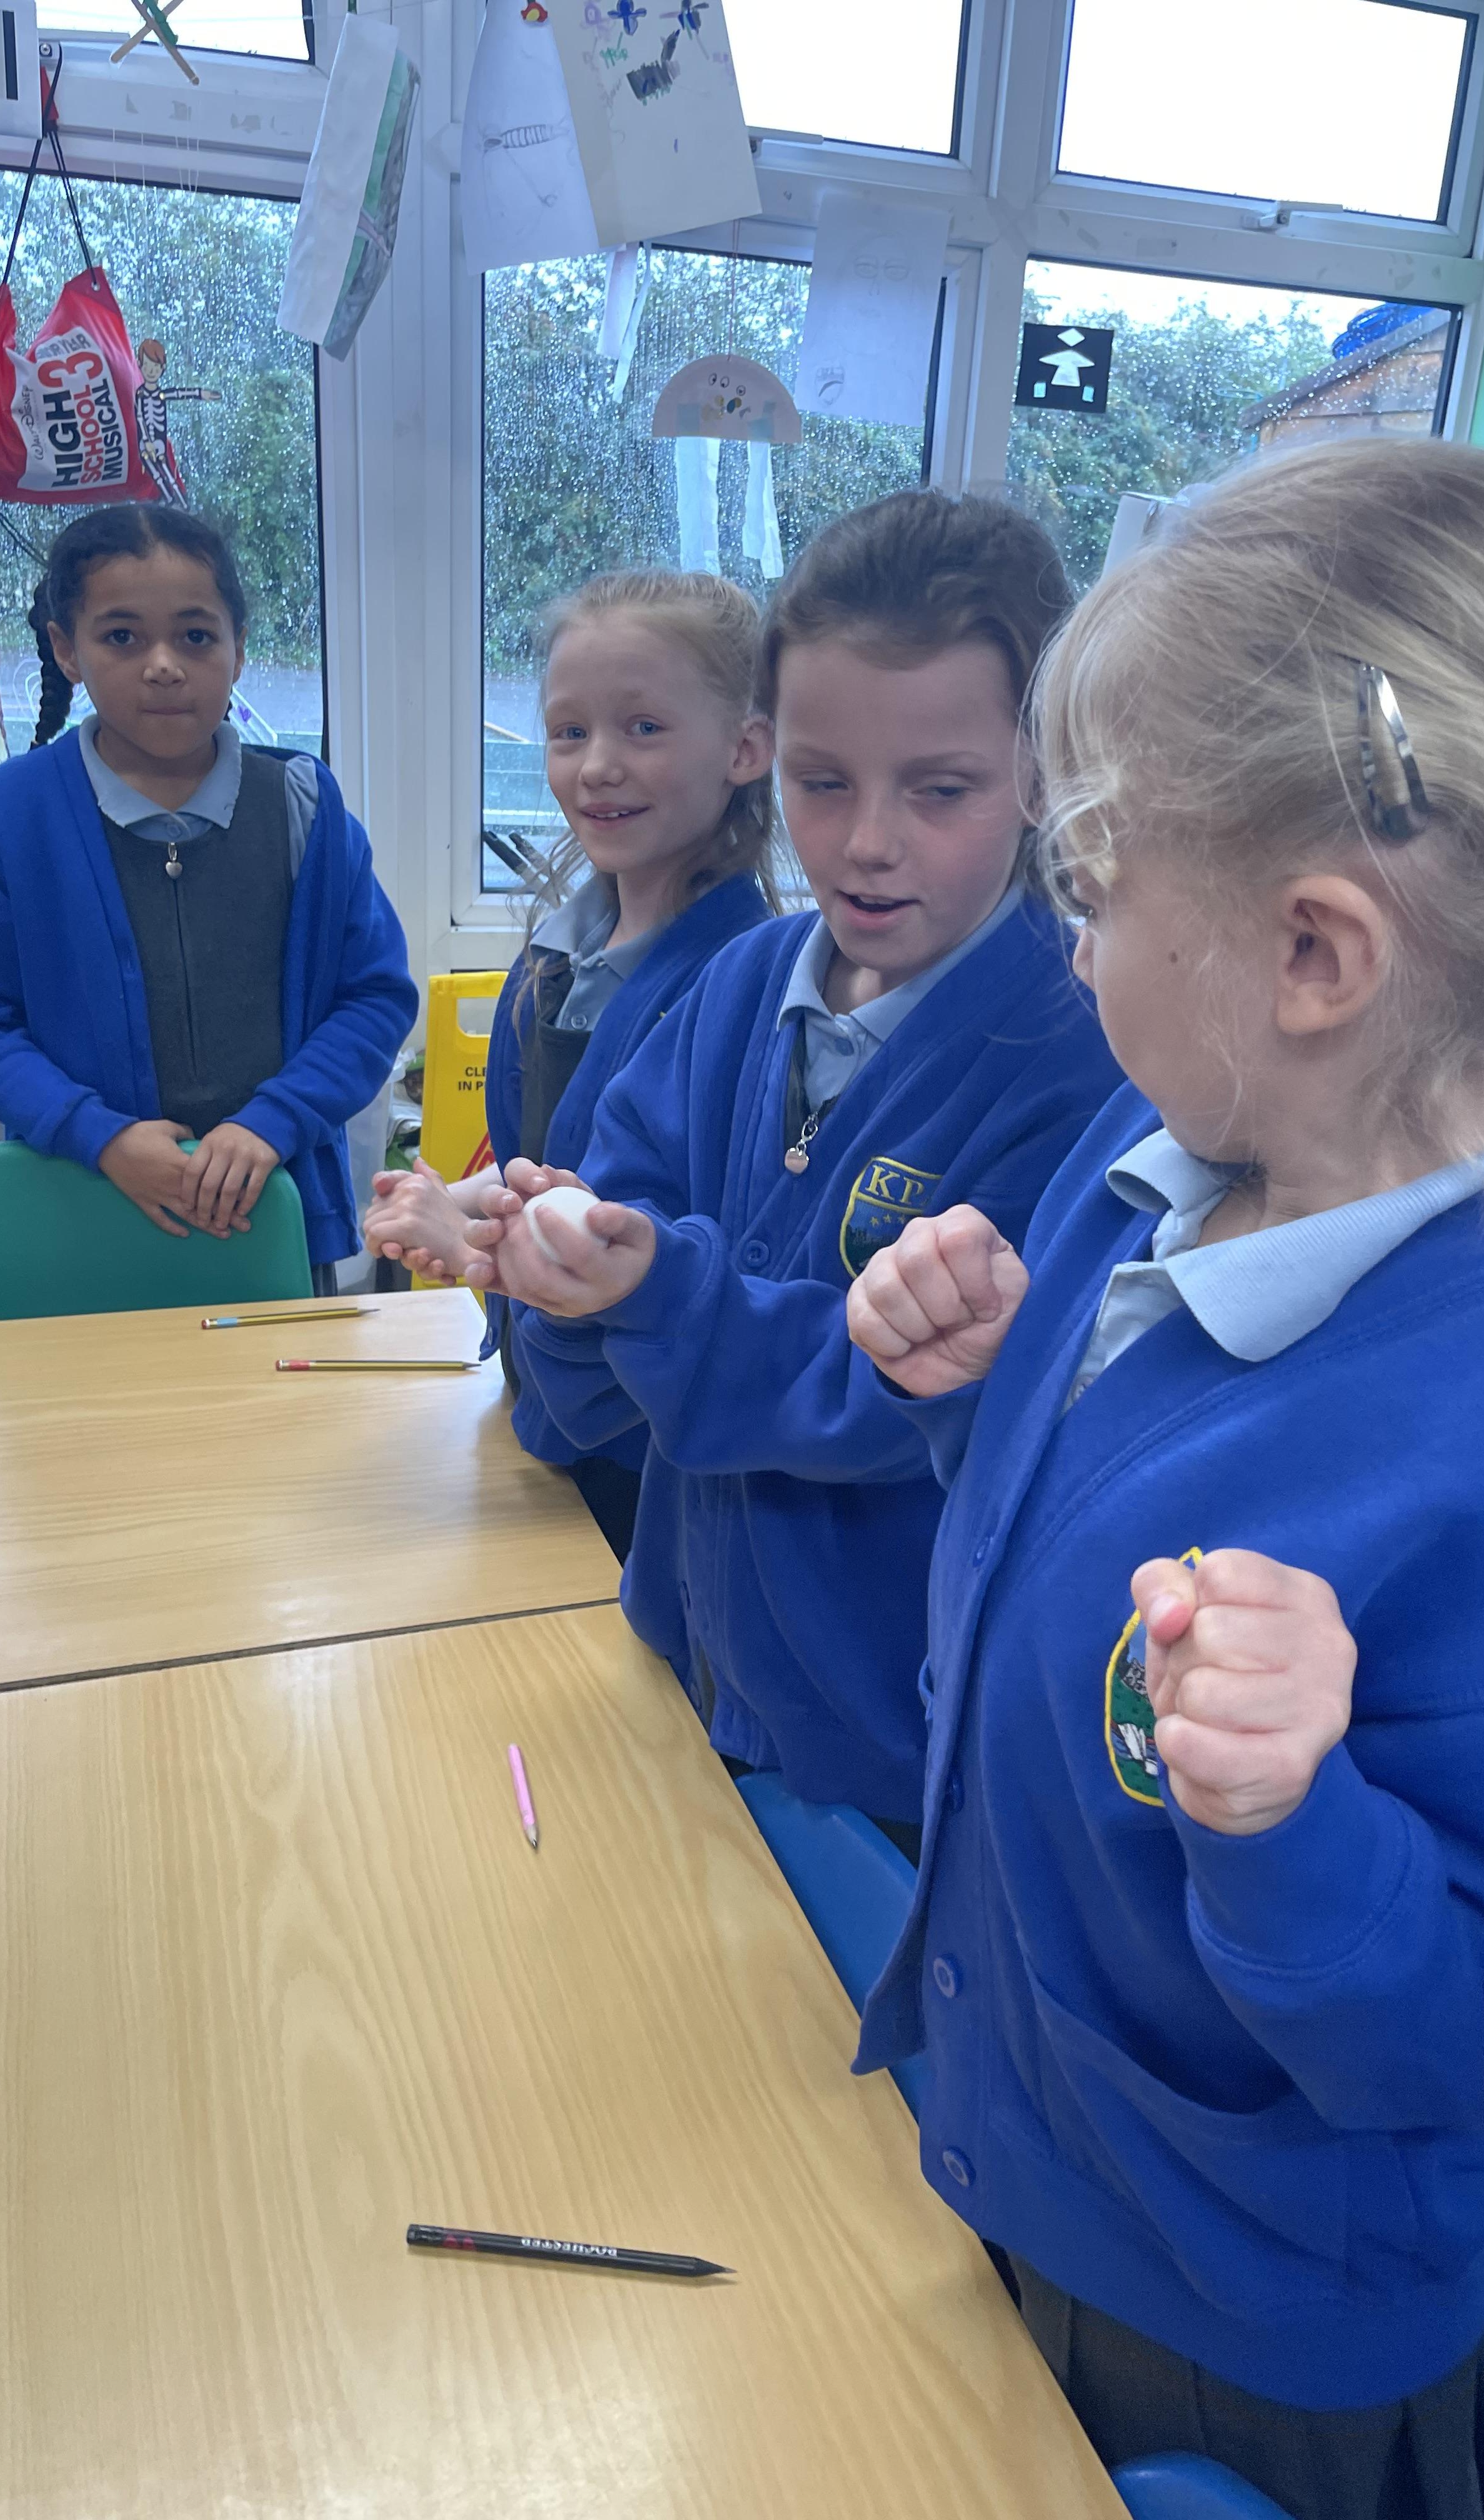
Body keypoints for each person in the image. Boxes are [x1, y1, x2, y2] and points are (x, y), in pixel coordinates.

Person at [844, 438, 1484, 2520]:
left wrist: (1288, 1819)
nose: (1070, 951)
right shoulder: (1147, 1155)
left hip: (1244, 2329)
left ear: (1314, 956)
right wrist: (977, 1395)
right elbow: (1087, 1542)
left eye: (1092, 890)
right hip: (1032, 2141)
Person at [464, 491, 1124, 1841]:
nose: (868, 840)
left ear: (1042, 773)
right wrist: (560, 1266)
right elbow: (616, 1263)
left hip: (891, 1746)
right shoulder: (740, 984)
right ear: (770, 759)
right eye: (822, 783)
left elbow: (909, 1399)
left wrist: (650, 1294)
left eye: (939, 790)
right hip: (683, 1663)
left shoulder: (1082, 1052)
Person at [362, 569, 776, 1561]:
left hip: (646, 1460)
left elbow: (673, 1244)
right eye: (568, 732)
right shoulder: (552, 962)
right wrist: (466, 1205)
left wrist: (480, 1246)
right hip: (542, 1413)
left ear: (745, 749)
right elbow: (546, 1165)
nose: (596, 767)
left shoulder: (744, 986)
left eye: (644, 728)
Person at [0, 506, 416, 1281]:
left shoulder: (303, 807)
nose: (163, 665)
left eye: (195, 636)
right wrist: (98, 1135)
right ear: (66, 648)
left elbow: (374, 997)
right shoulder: (13, 812)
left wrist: (274, 1121)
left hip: (270, 1212)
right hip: (78, 1210)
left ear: (238, 648)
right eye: (122, 637)